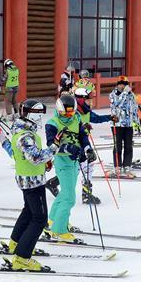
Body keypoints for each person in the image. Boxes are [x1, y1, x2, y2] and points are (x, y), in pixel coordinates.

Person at [2, 99, 58, 271]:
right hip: (32, 181)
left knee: (28, 211)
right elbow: (34, 158)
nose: (41, 118)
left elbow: (28, 156)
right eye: (39, 115)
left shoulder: (22, 130)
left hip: (28, 178)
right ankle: (22, 257)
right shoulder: (25, 135)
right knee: (40, 219)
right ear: (32, 115)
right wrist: (54, 146)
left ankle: (16, 243)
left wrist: (45, 162)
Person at [45, 93, 94, 242]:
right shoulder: (52, 123)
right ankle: (59, 231)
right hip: (63, 162)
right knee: (69, 197)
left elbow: (82, 136)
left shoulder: (76, 118)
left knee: (65, 194)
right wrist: (68, 148)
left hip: (75, 162)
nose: (69, 116)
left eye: (71, 112)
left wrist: (87, 150)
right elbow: (50, 145)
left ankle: (52, 221)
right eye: (65, 113)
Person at [74, 87, 109, 204]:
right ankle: (86, 195)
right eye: (88, 99)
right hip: (74, 146)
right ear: (81, 100)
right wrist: (82, 127)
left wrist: (110, 117)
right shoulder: (71, 112)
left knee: (85, 167)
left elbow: (96, 118)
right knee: (79, 168)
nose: (90, 102)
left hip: (84, 144)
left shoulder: (86, 110)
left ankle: (86, 193)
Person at [109, 76, 138, 178]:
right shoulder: (113, 94)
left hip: (128, 124)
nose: (123, 86)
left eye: (125, 84)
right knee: (117, 146)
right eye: (121, 83)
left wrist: (137, 121)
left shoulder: (131, 94)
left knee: (128, 146)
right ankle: (117, 166)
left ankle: (127, 165)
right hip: (117, 124)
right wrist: (125, 93)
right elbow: (117, 104)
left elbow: (135, 107)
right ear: (117, 84)